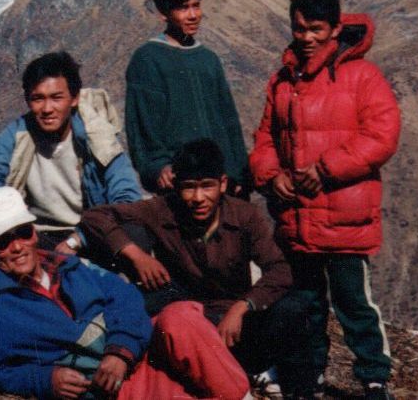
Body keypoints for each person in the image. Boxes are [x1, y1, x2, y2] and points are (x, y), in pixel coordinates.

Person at [249, 0, 402, 400]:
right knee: (307, 304)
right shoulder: (282, 81)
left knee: (354, 304)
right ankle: (308, 372)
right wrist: (269, 174)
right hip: (298, 216)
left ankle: (374, 378)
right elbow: (265, 138)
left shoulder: (362, 77)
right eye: (299, 28)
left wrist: (328, 169)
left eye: (316, 29)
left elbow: (383, 135)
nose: (306, 37)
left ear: (336, 28)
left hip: (343, 219)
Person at [0, 186, 251, 400]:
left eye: (23, 233)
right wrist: (43, 379)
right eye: (3, 241)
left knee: (180, 317)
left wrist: (120, 351)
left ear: (34, 233)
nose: (17, 247)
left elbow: (125, 297)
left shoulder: (72, 265)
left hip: (139, 346)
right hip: (114, 384)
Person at [79, 139, 312, 385]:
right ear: (177, 186)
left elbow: (279, 269)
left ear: (222, 184)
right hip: (188, 317)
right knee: (149, 301)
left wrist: (244, 306)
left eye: (207, 186)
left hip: (235, 319)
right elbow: (95, 216)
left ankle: (286, 382)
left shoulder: (245, 215)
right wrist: (135, 254)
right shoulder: (162, 208)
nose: (198, 197)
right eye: (188, 187)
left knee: (293, 307)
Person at [0, 51, 141, 251]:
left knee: (136, 232)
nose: (47, 108)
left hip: (90, 231)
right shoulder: (18, 134)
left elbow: (126, 197)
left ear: (74, 98)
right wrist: (10, 208)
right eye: (38, 99)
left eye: (56, 98)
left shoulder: (97, 133)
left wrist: (78, 239)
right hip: (35, 234)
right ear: (27, 100)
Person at [124, 0, 250, 194]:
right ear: (163, 13)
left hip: (220, 183)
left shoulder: (208, 59)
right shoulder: (148, 59)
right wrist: (158, 167)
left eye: (196, 5)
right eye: (183, 8)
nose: (193, 15)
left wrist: (238, 172)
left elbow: (229, 122)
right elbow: (142, 126)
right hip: (178, 182)